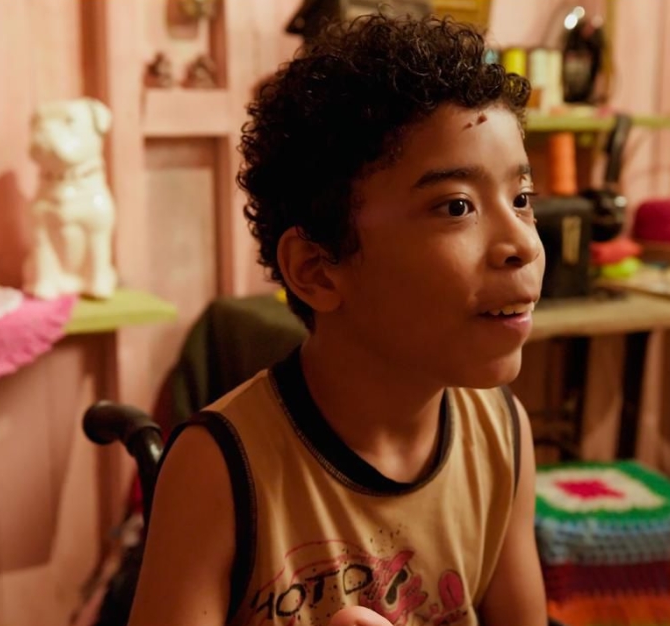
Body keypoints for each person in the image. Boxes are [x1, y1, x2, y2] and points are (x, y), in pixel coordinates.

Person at [128, 12, 548, 626]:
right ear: (318, 271)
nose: (524, 244)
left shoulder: (502, 435)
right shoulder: (218, 469)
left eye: (522, 199)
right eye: (456, 206)